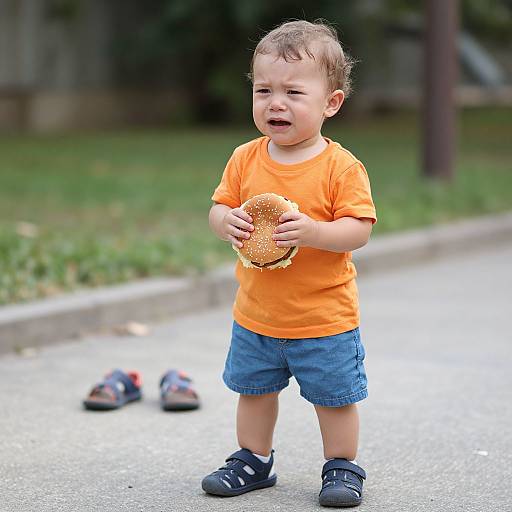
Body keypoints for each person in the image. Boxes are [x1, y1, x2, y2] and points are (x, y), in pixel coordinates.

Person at [202, 19, 376, 508]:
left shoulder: (340, 167)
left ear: (331, 103)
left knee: (334, 398)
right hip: (257, 314)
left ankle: (342, 466)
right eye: (263, 90)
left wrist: (317, 232)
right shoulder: (244, 158)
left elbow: (359, 228)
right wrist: (226, 222)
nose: (275, 102)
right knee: (253, 391)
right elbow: (219, 207)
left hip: (324, 318)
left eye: (293, 91)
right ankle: (252, 460)